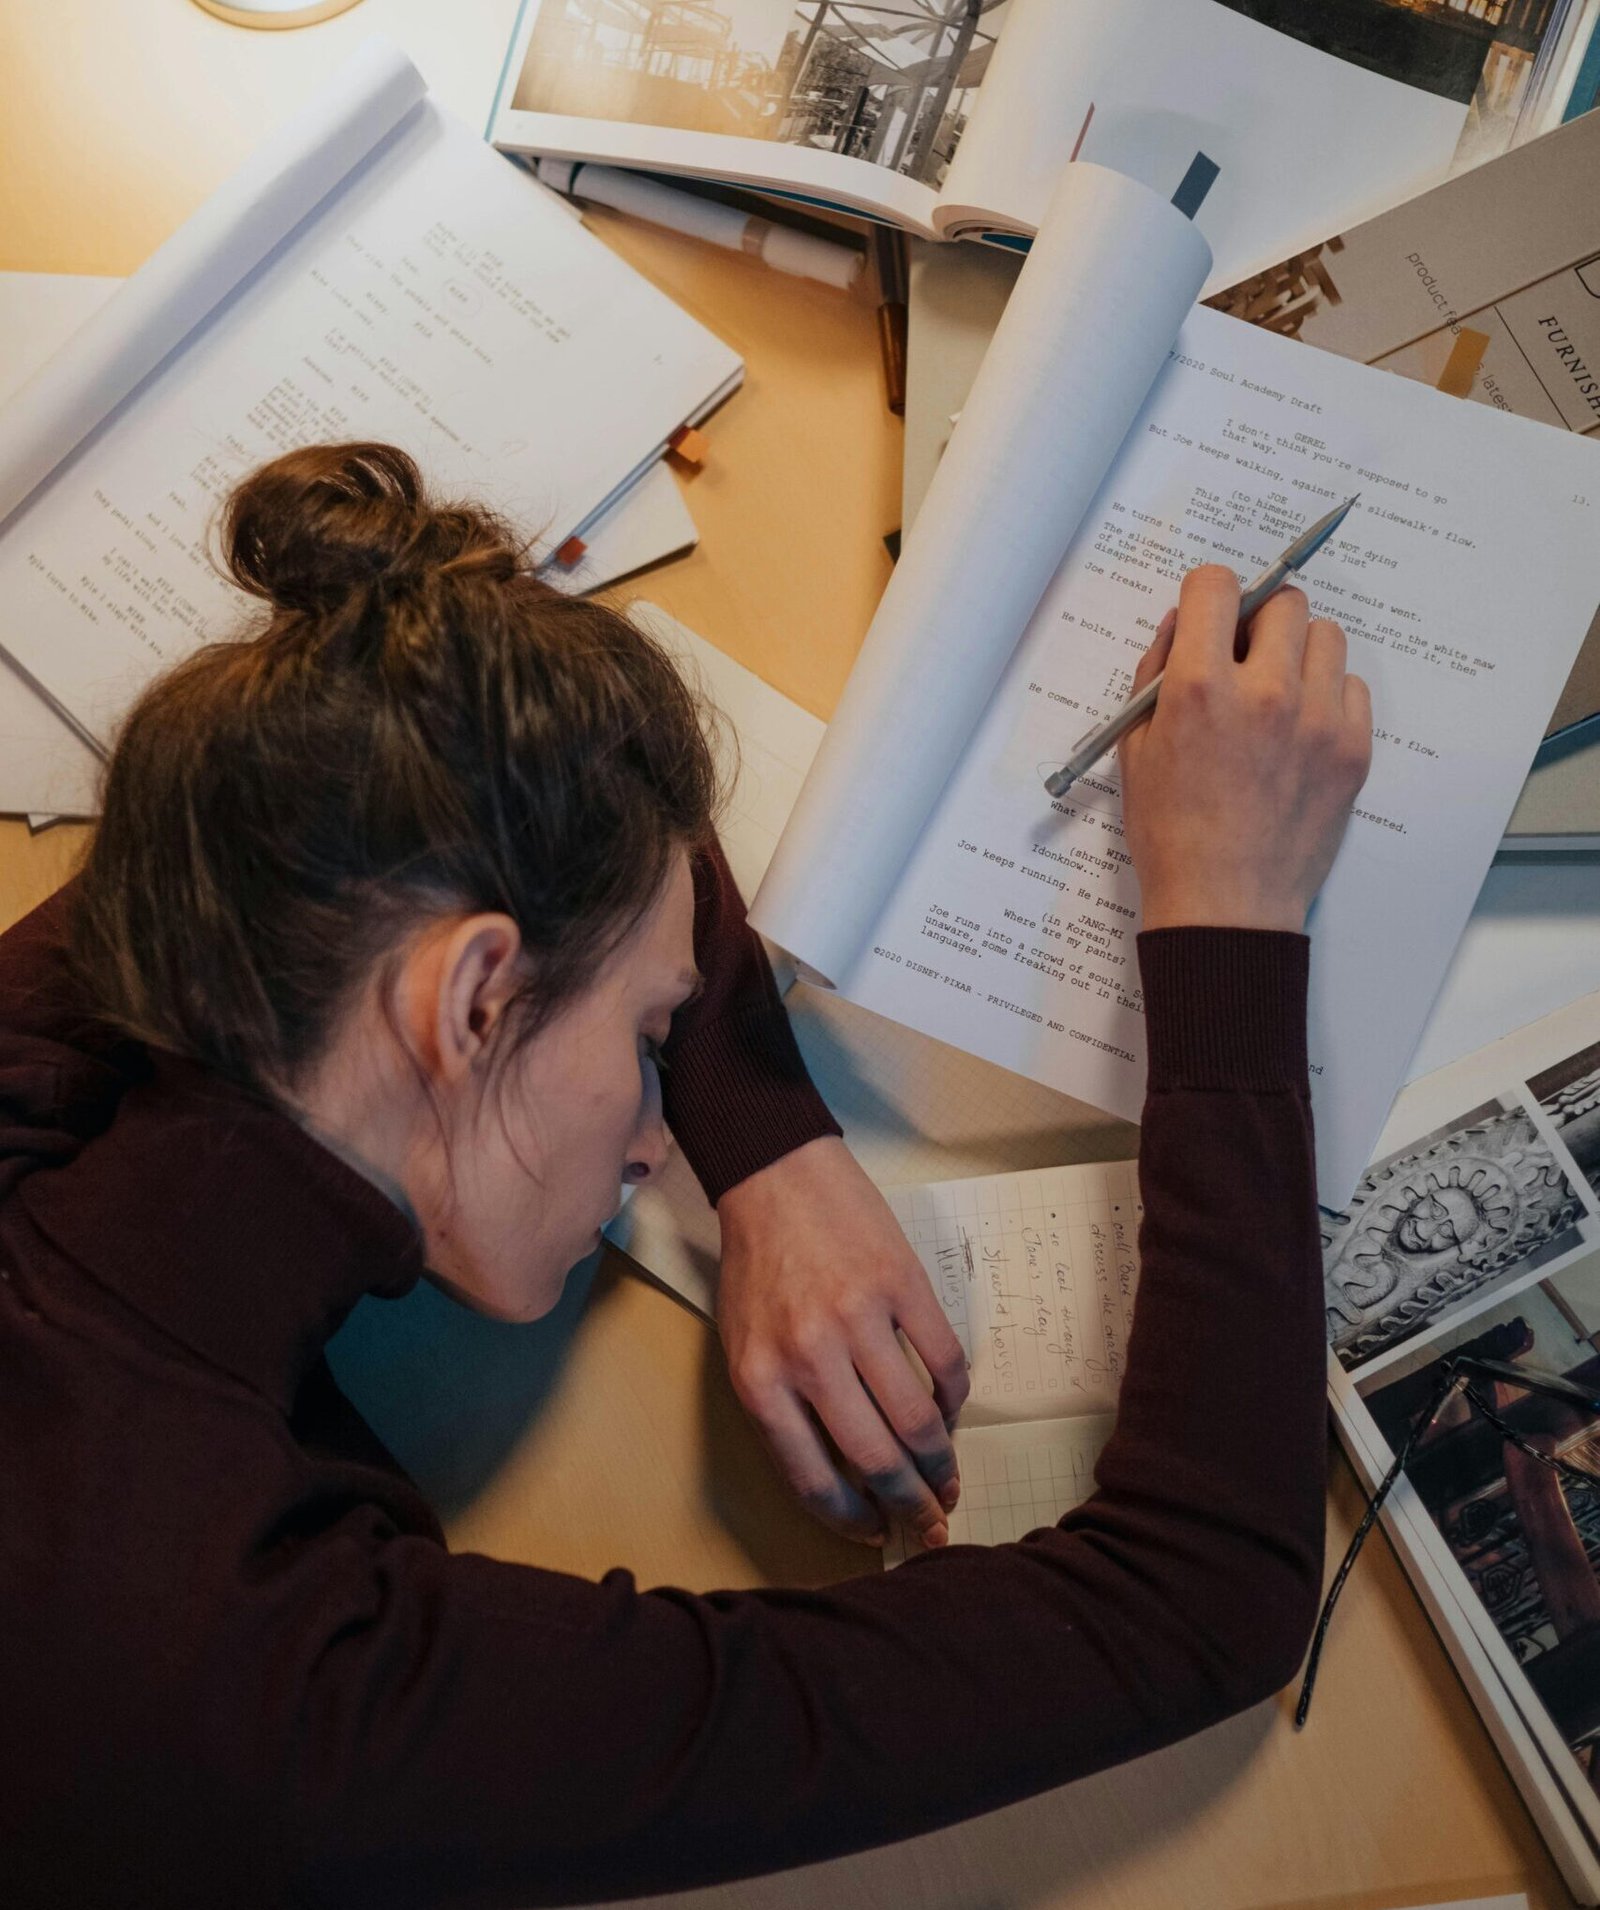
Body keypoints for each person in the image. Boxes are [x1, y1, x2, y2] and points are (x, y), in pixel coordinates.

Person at [0, 443, 1371, 1907]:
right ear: (470, 999)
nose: (657, 1137)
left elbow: (476, 725)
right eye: (654, 1035)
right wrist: (1229, 911)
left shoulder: (155, 940)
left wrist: (771, 1148)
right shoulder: (288, 1707)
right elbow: (1201, 1591)